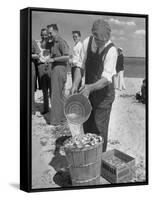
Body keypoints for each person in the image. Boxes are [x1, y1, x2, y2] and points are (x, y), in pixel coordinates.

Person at [71, 19, 118, 152]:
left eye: (103, 41)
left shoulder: (111, 50)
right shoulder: (87, 42)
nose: (99, 43)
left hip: (104, 95)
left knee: (99, 128)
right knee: (87, 125)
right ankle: (89, 155)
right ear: (93, 35)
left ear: (107, 38)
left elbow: (106, 78)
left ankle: (99, 159)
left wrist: (90, 87)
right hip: (89, 92)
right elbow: (80, 66)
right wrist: (75, 84)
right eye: (97, 40)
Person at [47, 24, 70, 126]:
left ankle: (55, 120)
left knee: (56, 95)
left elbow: (67, 57)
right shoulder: (52, 43)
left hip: (59, 70)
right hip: (56, 69)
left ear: (56, 31)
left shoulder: (61, 41)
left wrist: (54, 59)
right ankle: (61, 119)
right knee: (59, 95)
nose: (49, 34)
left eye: (50, 32)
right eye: (48, 33)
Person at [37, 28, 52, 115]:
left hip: (49, 66)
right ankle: (46, 109)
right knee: (44, 89)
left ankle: (53, 108)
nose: (44, 36)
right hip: (41, 66)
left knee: (52, 88)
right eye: (42, 34)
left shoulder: (51, 44)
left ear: (48, 35)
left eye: (45, 34)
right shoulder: (38, 43)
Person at [31, 39, 41, 115]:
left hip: (31, 68)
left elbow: (38, 55)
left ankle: (32, 109)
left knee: (30, 90)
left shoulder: (32, 41)